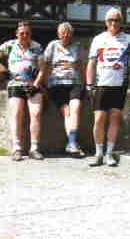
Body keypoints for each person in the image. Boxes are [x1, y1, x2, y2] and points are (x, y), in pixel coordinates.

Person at [86, 8, 130, 167]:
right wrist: (88, 84)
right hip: (101, 85)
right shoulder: (98, 39)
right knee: (99, 119)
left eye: (116, 20)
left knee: (114, 119)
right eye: (110, 20)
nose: (113, 23)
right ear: (106, 22)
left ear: (120, 22)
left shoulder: (126, 38)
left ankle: (109, 153)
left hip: (119, 85)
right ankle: (98, 153)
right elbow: (91, 63)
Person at [0, 21, 46, 162]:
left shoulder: (37, 47)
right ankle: (17, 148)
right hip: (15, 84)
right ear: (17, 34)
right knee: (17, 114)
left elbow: (43, 68)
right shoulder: (10, 45)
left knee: (36, 113)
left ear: (30, 34)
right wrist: (5, 72)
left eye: (27, 33)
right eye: (22, 33)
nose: (25, 36)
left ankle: (34, 148)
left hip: (33, 85)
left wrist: (37, 84)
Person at [43, 22, 86, 157]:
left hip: (75, 83)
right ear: (58, 34)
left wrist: (87, 83)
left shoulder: (77, 47)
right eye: (63, 32)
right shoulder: (52, 45)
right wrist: (43, 82)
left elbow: (82, 66)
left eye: (68, 33)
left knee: (76, 106)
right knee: (66, 111)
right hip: (57, 84)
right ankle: (73, 142)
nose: (66, 35)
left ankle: (72, 143)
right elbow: (44, 63)